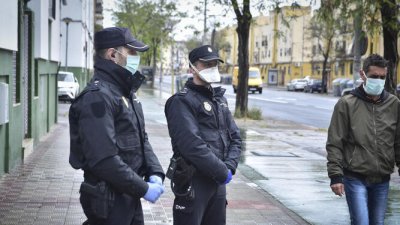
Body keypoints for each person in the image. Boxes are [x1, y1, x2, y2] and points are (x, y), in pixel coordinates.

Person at [69, 27, 165, 225]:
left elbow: (141, 138)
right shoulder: (97, 97)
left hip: (129, 194)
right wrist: (144, 188)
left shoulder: (124, 92)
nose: (136, 57)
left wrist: (155, 172)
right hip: (108, 200)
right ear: (113, 54)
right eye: (131, 52)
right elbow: (104, 159)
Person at [164, 45, 242, 225]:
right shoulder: (181, 101)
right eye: (206, 64)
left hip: (218, 182)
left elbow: (235, 138)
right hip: (194, 181)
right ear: (192, 68)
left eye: (214, 64)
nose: (211, 68)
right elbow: (192, 145)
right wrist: (222, 171)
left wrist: (229, 167)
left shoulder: (219, 100)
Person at [326, 54, 400, 225]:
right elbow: (335, 142)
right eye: (374, 76)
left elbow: (398, 141)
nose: (379, 81)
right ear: (363, 75)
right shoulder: (347, 104)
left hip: (382, 179)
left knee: (377, 223)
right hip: (354, 177)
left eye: (382, 77)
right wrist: (335, 176)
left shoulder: (394, 104)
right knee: (361, 222)